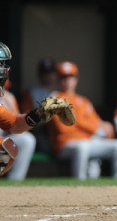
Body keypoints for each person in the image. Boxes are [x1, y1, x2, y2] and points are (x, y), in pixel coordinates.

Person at [0, 42, 74, 178]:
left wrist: (40, 114)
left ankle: (15, 184)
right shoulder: (31, 92)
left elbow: (15, 124)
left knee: (11, 145)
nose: (3, 69)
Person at [47, 61, 117, 180]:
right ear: (58, 79)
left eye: (71, 76)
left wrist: (93, 126)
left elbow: (100, 125)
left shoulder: (83, 101)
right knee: (82, 146)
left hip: (89, 141)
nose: (67, 80)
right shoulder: (53, 98)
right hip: (65, 144)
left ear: (76, 79)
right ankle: (79, 183)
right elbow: (64, 127)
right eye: (63, 77)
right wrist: (93, 127)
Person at [0, 79, 36, 180]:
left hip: (3, 135)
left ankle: (15, 181)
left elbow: (15, 124)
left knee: (25, 140)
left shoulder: (7, 99)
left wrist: (38, 115)